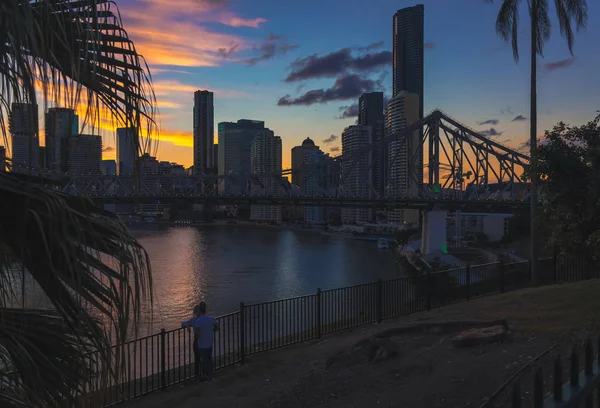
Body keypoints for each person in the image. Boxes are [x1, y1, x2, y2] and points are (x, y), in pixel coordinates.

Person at [181, 301, 219, 381]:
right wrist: (187, 325)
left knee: (203, 359)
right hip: (205, 342)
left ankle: (205, 375)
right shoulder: (203, 319)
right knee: (205, 359)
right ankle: (205, 374)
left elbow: (196, 333)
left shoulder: (197, 321)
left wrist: (189, 327)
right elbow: (184, 323)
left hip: (199, 342)